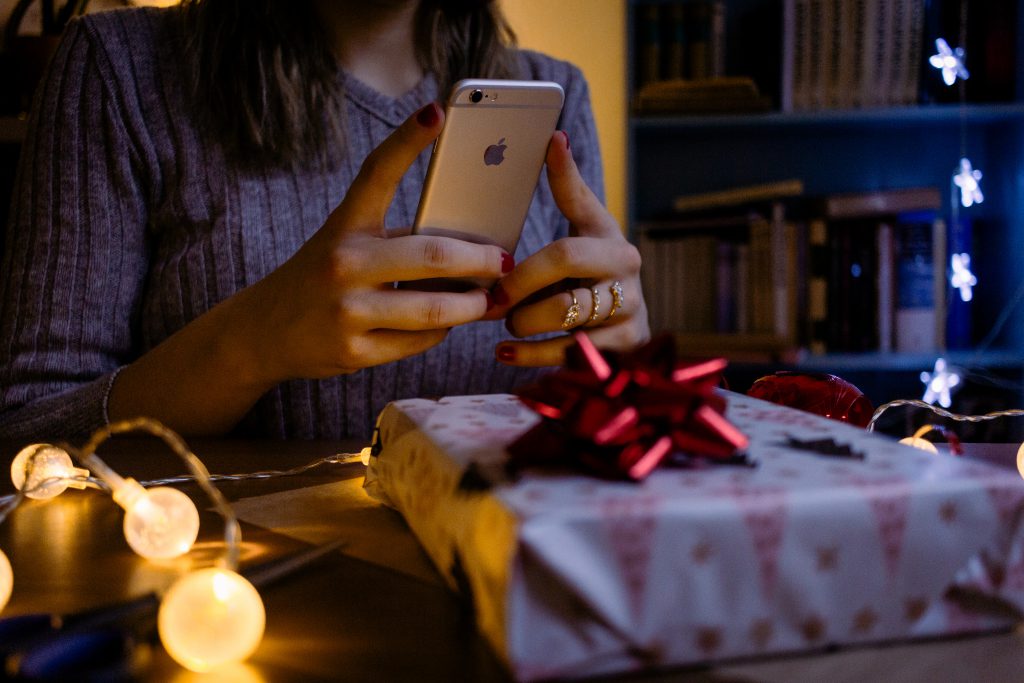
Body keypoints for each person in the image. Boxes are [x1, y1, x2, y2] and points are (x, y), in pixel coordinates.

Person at [0, 0, 648, 442]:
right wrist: (255, 342)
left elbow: (594, 414)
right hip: (228, 602)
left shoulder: (551, 95)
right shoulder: (122, 71)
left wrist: (625, 364)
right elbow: (29, 432)